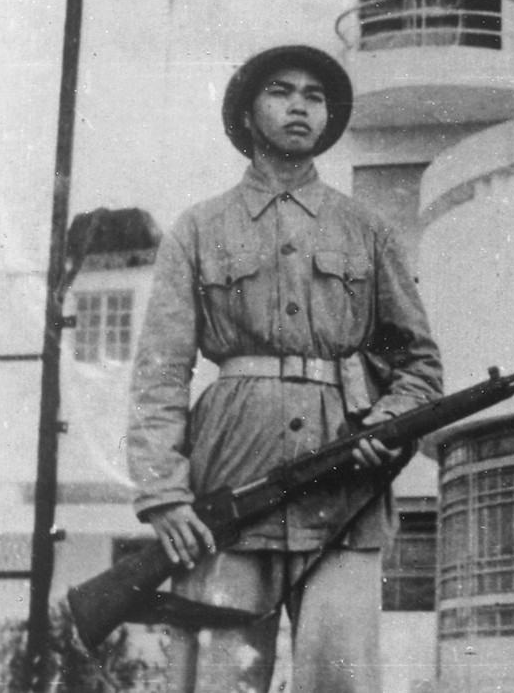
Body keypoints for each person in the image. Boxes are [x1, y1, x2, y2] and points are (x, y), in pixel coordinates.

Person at [126, 43, 443, 693]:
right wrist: (163, 492)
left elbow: (418, 364)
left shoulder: (368, 230)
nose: (300, 105)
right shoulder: (198, 228)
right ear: (247, 114)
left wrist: (388, 422)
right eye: (281, 91)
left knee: (341, 681)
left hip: (345, 493)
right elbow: (160, 371)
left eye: (314, 95)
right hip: (230, 484)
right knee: (219, 681)